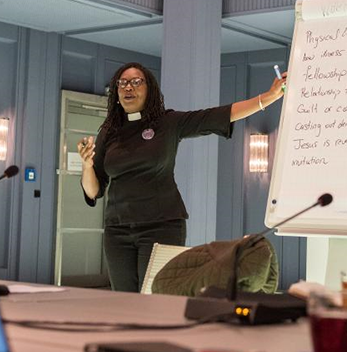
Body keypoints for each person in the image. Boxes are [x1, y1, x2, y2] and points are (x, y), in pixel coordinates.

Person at [78, 62, 287, 292]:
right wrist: (87, 165)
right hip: (117, 230)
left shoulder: (167, 123)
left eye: (137, 82)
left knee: (155, 296)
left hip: (160, 226)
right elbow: (93, 191)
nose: (129, 87)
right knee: (124, 299)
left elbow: (215, 116)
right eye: (123, 83)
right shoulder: (109, 132)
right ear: (117, 92)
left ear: (149, 90)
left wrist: (268, 97)